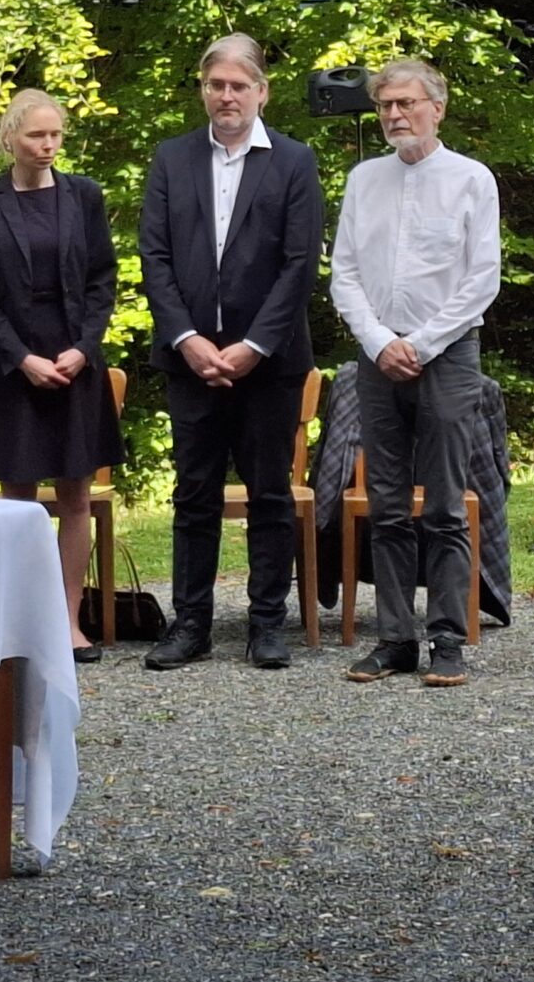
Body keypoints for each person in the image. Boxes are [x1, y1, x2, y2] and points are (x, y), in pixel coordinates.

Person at [136, 34, 325, 671]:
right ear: (203, 90)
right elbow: (155, 256)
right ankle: (190, 623)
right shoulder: (173, 158)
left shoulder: (293, 161)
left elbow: (299, 263)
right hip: (189, 360)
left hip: (269, 362)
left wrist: (254, 345)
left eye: (239, 86)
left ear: (261, 92)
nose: (226, 96)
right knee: (194, 495)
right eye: (216, 85)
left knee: (270, 494)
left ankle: (267, 623)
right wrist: (186, 339)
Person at [331, 57, 500, 687]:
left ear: (437, 108)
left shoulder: (471, 179)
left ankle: (447, 637)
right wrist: (380, 342)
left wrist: (421, 344)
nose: (395, 115)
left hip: (448, 353)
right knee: (387, 503)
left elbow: (482, 278)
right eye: (385, 105)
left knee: (447, 504)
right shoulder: (364, 179)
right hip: (378, 355)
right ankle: (395, 638)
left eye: (406, 103)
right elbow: (344, 272)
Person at [0, 88, 125, 661]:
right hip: (14, 365)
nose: (48, 144)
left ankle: (67, 622)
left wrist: (83, 348)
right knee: (19, 498)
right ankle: (19, 625)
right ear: (10, 138)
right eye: (37, 135)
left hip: (75, 360)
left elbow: (103, 280)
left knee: (76, 495)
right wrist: (22, 358)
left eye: (55, 134)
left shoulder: (84, 195)